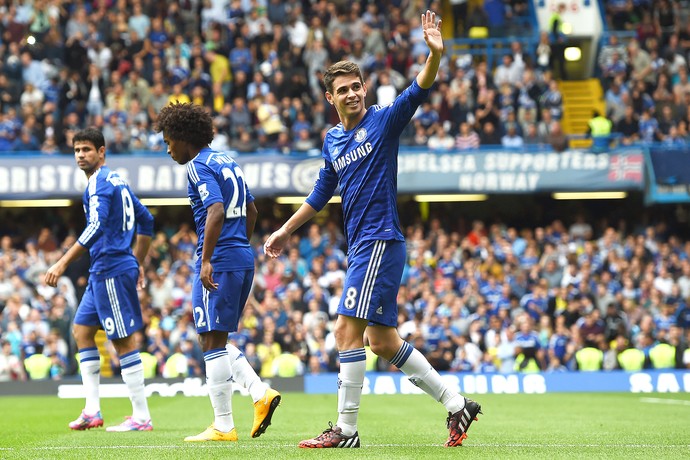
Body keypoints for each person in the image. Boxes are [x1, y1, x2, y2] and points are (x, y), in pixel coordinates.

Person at [264, 11, 481, 449]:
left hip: (380, 241)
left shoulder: (381, 122)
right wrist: (286, 230)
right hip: (364, 247)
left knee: (346, 333)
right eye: (342, 90)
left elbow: (416, 91)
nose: (352, 94)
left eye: (356, 86)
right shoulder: (332, 141)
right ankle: (457, 404)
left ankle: (345, 430)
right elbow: (322, 190)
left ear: (364, 88)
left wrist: (434, 56)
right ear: (330, 97)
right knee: (381, 341)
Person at [154, 102, 281, 442]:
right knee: (214, 337)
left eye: (169, 141)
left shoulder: (197, 166)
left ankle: (225, 424)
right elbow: (251, 209)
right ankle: (258, 394)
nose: (168, 149)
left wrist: (208, 258)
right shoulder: (227, 160)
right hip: (241, 256)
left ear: (184, 137)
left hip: (220, 258)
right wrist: (240, 243)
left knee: (211, 339)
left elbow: (216, 209)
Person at [44, 128, 154, 432]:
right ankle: (92, 410)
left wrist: (63, 261)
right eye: (77, 150)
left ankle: (142, 417)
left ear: (101, 152)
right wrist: (139, 261)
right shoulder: (118, 181)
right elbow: (146, 220)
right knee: (81, 331)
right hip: (104, 271)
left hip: (111, 269)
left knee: (122, 340)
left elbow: (95, 226)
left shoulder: (98, 185)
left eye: (87, 150)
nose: (81, 155)